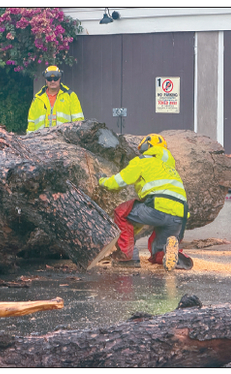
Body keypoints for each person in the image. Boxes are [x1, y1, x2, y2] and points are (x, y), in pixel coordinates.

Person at [99, 134, 193, 271]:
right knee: (158, 251)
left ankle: (127, 257)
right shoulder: (170, 168)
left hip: (157, 208)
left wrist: (102, 181)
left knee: (122, 212)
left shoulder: (142, 161)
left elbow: (119, 181)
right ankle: (170, 255)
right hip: (179, 217)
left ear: (146, 147)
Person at [26, 65, 84, 133]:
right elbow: (31, 124)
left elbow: (78, 121)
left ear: (60, 78)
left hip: (63, 141)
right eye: (49, 79)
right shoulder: (37, 99)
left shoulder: (70, 96)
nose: (52, 81)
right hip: (41, 141)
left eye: (55, 78)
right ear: (45, 80)